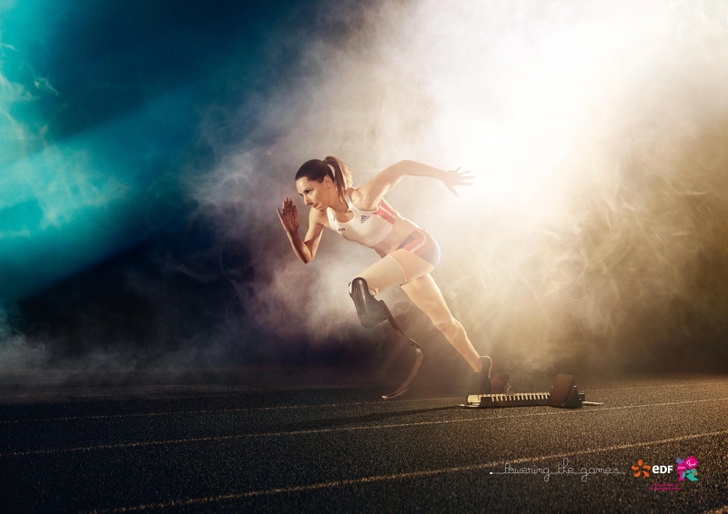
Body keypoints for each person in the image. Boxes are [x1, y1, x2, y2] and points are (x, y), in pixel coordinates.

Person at [276, 156, 493, 395]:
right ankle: (483, 368)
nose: (306, 201)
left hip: (420, 246)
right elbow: (307, 255)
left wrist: (444, 175)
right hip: (403, 263)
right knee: (443, 322)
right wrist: (292, 233)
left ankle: (374, 310)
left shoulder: (361, 198)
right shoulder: (320, 216)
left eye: (309, 191)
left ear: (327, 181)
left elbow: (402, 167)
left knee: (360, 285)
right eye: (301, 195)